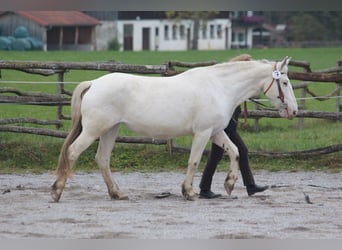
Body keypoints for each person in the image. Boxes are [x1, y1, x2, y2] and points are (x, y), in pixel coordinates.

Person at [199, 106, 269, 199]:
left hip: (228, 123)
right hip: (224, 125)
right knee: (216, 154)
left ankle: (250, 186)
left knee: (241, 150)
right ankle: (204, 189)